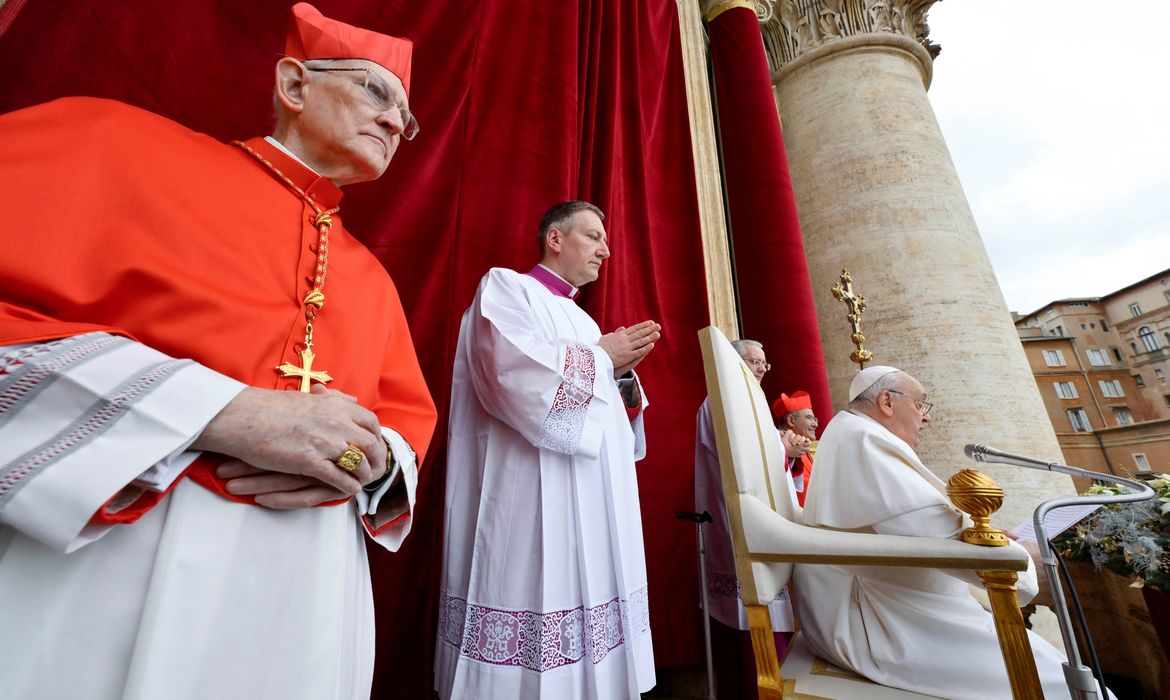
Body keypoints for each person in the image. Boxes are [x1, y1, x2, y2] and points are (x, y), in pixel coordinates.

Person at [0, 4, 437, 698]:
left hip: (316, 586)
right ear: (294, 85)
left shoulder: (373, 279)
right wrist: (213, 411)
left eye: (404, 117)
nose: (393, 122)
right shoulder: (116, 147)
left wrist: (368, 457)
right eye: (375, 92)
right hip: (121, 558)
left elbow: (400, 431)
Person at [435, 201, 661, 699]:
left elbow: (604, 409)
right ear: (555, 239)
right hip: (528, 490)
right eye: (594, 236)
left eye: (606, 241)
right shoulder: (507, 288)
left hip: (591, 496)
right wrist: (603, 359)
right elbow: (510, 374)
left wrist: (621, 378)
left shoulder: (580, 319)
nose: (605, 251)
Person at [794, 365, 1102, 700]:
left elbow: (916, 523)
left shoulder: (856, 434)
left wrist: (987, 533)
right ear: (886, 401)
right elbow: (930, 533)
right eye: (921, 405)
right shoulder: (864, 439)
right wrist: (1022, 562)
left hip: (900, 601)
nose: (926, 418)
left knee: (1059, 673)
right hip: (882, 620)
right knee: (1066, 687)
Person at [695, 338, 798, 699]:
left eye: (764, 364)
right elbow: (744, 464)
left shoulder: (747, 402)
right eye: (755, 362)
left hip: (762, 523)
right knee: (753, 621)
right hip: (740, 525)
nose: (762, 370)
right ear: (734, 364)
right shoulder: (725, 400)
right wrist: (783, 449)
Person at [770, 390, 818, 506]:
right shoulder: (778, 444)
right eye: (809, 418)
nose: (815, 424)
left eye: (814, 419)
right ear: (791, 420)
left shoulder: (803, 446)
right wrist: (789, 456)